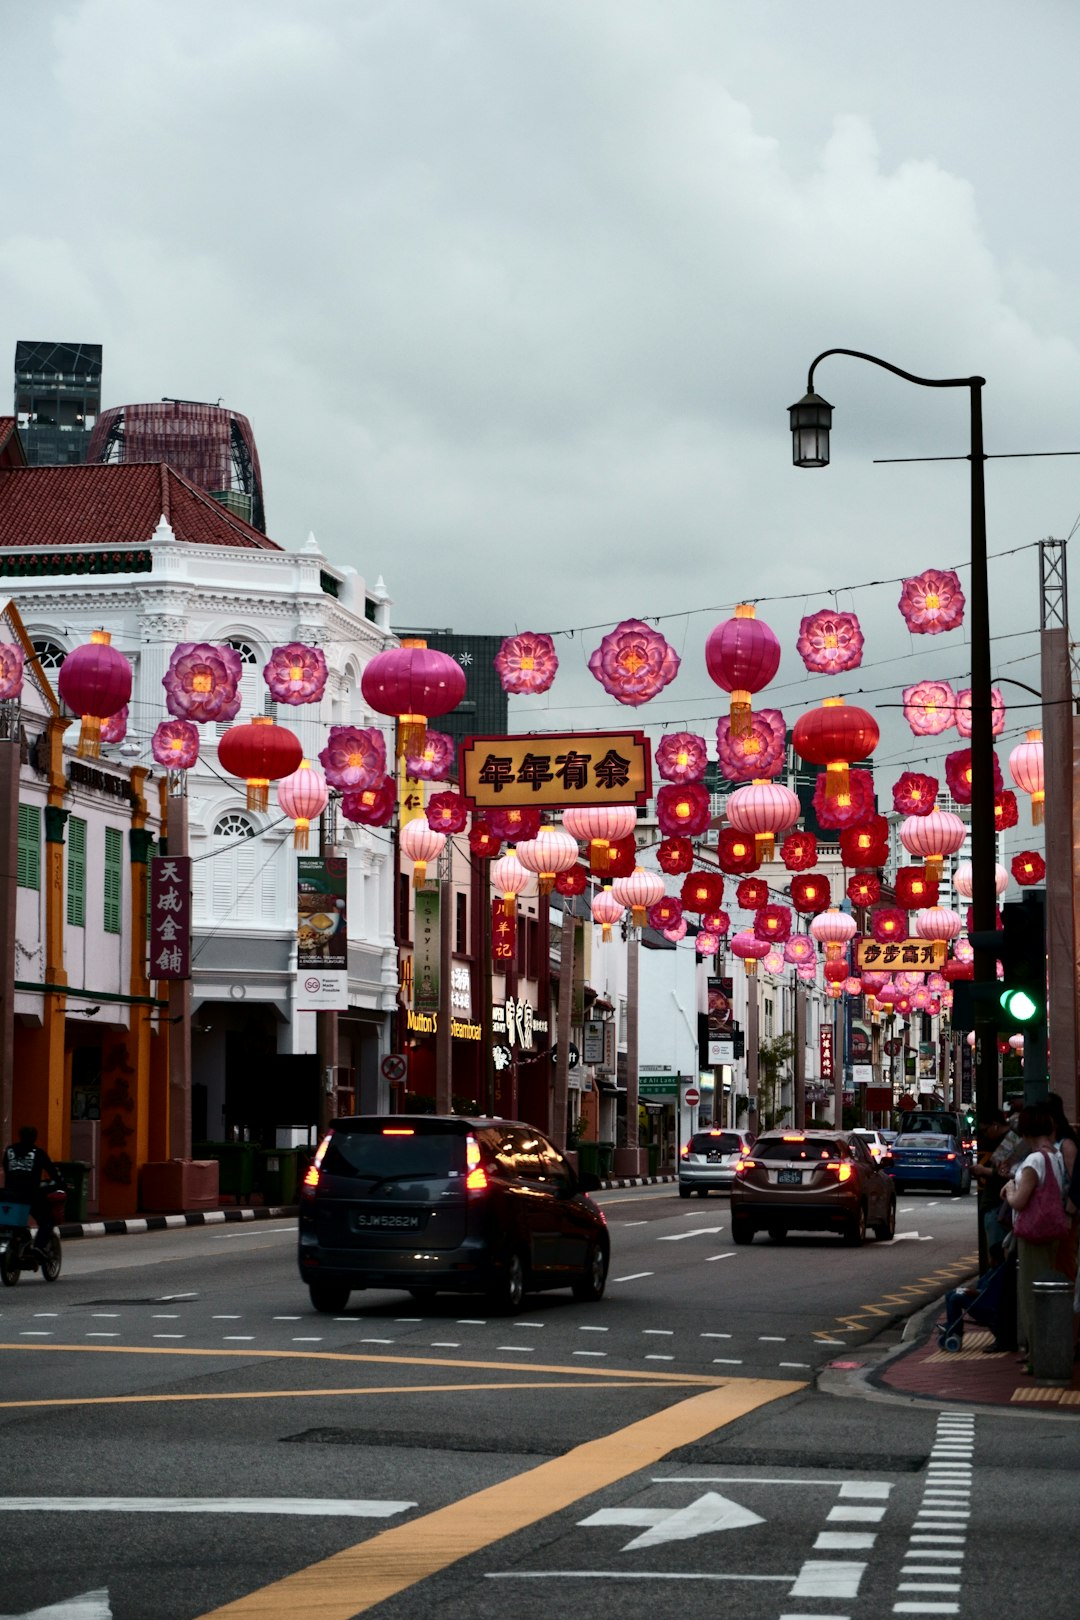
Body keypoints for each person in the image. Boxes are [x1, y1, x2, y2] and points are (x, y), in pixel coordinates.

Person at [1003, 1106, 1069, 1360]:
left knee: (1031, 1295)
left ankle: (1036, 1352)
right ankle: (1046, 1347)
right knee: (1048, 1291)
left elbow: (1019, 1201)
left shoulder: (1034, 1160)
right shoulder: (1055, 1156)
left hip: (1033, 1234)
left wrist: (1009, 1189)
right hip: (1053, 1231)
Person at [2, 1126, 63, 1259]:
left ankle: (20, 1239)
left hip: (9, 1194)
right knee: (47, 1221)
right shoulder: (38, 1153)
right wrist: (61, 1183)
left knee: (10, 1222)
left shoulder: (9, 1151)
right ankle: (38, 1247)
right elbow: (52, 1172)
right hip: (30, 1195)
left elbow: (7, 1169)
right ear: (35, 1138)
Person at [972, 1109, 1013, 1268]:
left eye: (985, 1130)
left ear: (995, 1125)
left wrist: (983, 1171)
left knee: (997, 1256)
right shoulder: (1004, 1140)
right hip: (996, 1205)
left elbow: (1006, 1172)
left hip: (998, 1207)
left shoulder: (1010, 1140)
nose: (985, 1135)